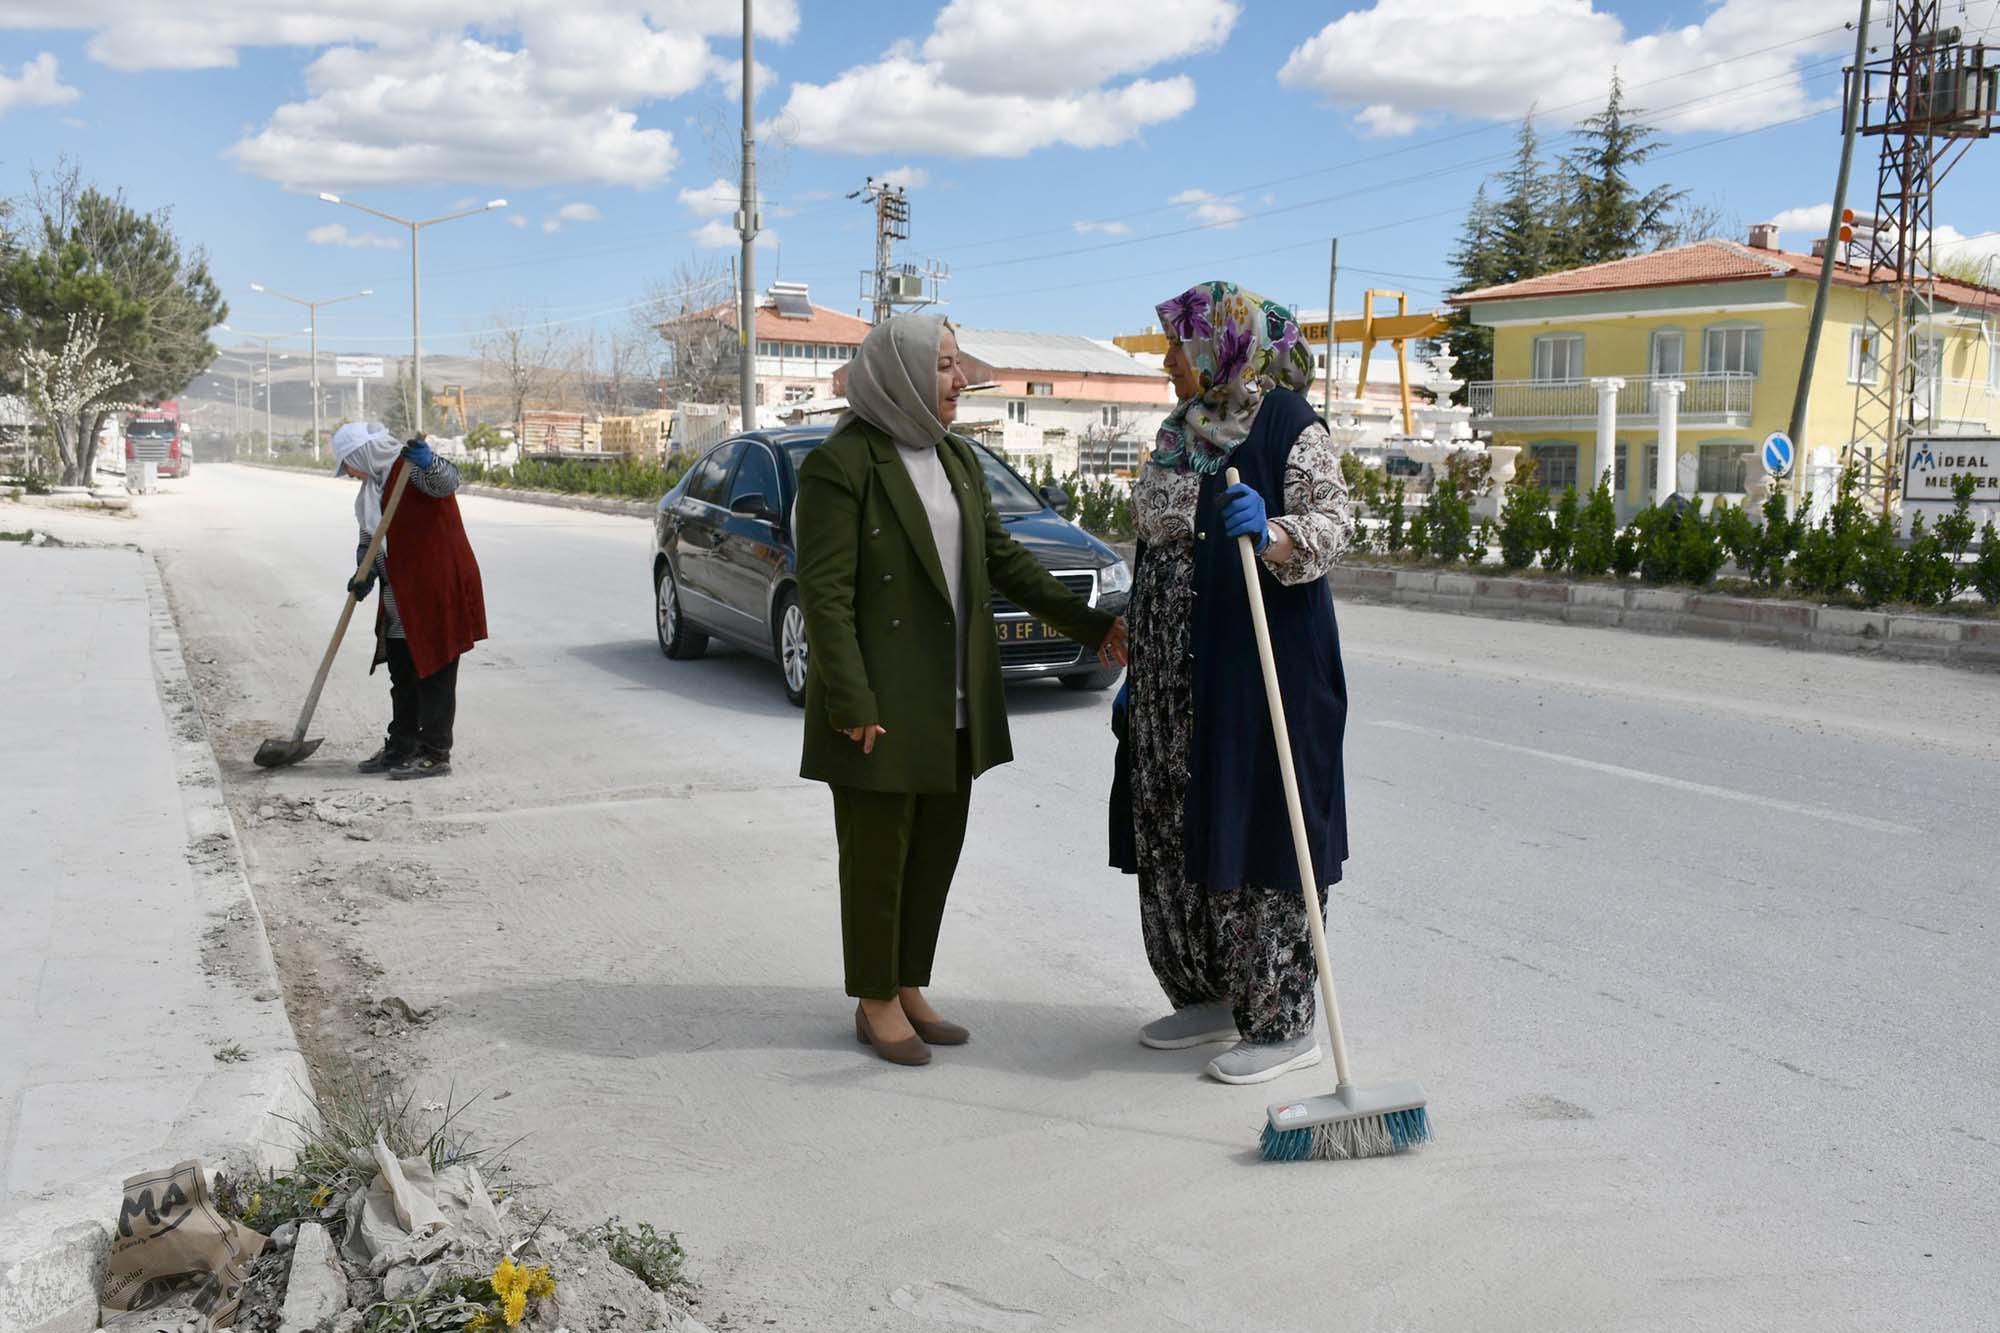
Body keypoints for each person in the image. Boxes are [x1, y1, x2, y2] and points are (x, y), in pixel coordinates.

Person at [797, 314, 1129, 1067]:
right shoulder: (841, 465)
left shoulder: (958, 459)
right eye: (945, 365)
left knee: (934, 853)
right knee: (879, 857)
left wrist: (1089, 623)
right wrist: (850, 701)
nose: (960, 378)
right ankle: (874, 999)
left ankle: (909, 982)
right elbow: (825, 596)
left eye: (956, 364)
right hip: (880, 704)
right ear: (903, 374)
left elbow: (1004, 561)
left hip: (953, 698)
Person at [1111, 280, 1356, 1085]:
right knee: (1176, 830)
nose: (1171, 359)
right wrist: (1141, 665)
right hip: (1174, 686)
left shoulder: (1287, 423)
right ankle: (1208, 992)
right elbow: (1157, 544)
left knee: (1257, 831)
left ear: (1226, 345)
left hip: (1261, 675)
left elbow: (1332, 524)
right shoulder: (1178, 434)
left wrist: (1278, 531)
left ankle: (1283, 1021)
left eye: (1181, 343)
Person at [331, 422, 487, 780]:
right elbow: (369, 538)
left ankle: (434, 753)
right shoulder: (371, 489)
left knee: (434, 671)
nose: (349, 474)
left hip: (435, 588)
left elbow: (447, 482)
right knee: (402, 672)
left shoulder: (412, 470)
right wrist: (364, 571)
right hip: (401, 594)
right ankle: (402, 744)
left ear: (362, 454)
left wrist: (429, 461)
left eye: (348, 464)